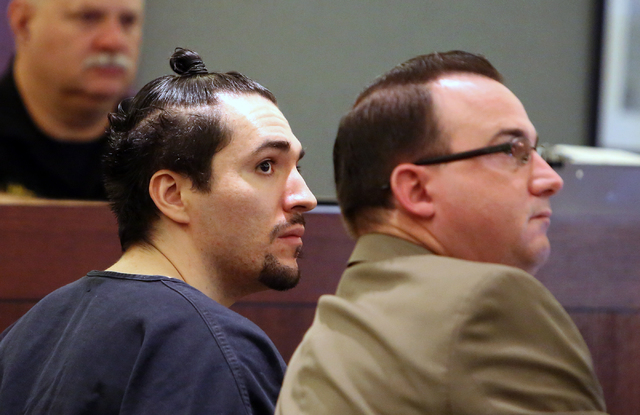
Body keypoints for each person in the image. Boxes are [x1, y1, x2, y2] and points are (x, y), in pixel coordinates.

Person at [276, 51, 607, 414]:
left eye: (535, 150)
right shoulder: (486, 303)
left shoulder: (327, 336)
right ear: (417, 190)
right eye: (514, 151)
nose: (550, 179)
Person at [0, 48, 317, 414]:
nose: (305, 198)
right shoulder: (213, 349)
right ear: (173, 195)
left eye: (296, 167)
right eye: (266, 166)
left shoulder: (23, 338)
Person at [0, 0, 144, 199]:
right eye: (88, 17)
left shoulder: (165, 151)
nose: (114, 41)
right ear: (23, 22)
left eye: (128, 21)